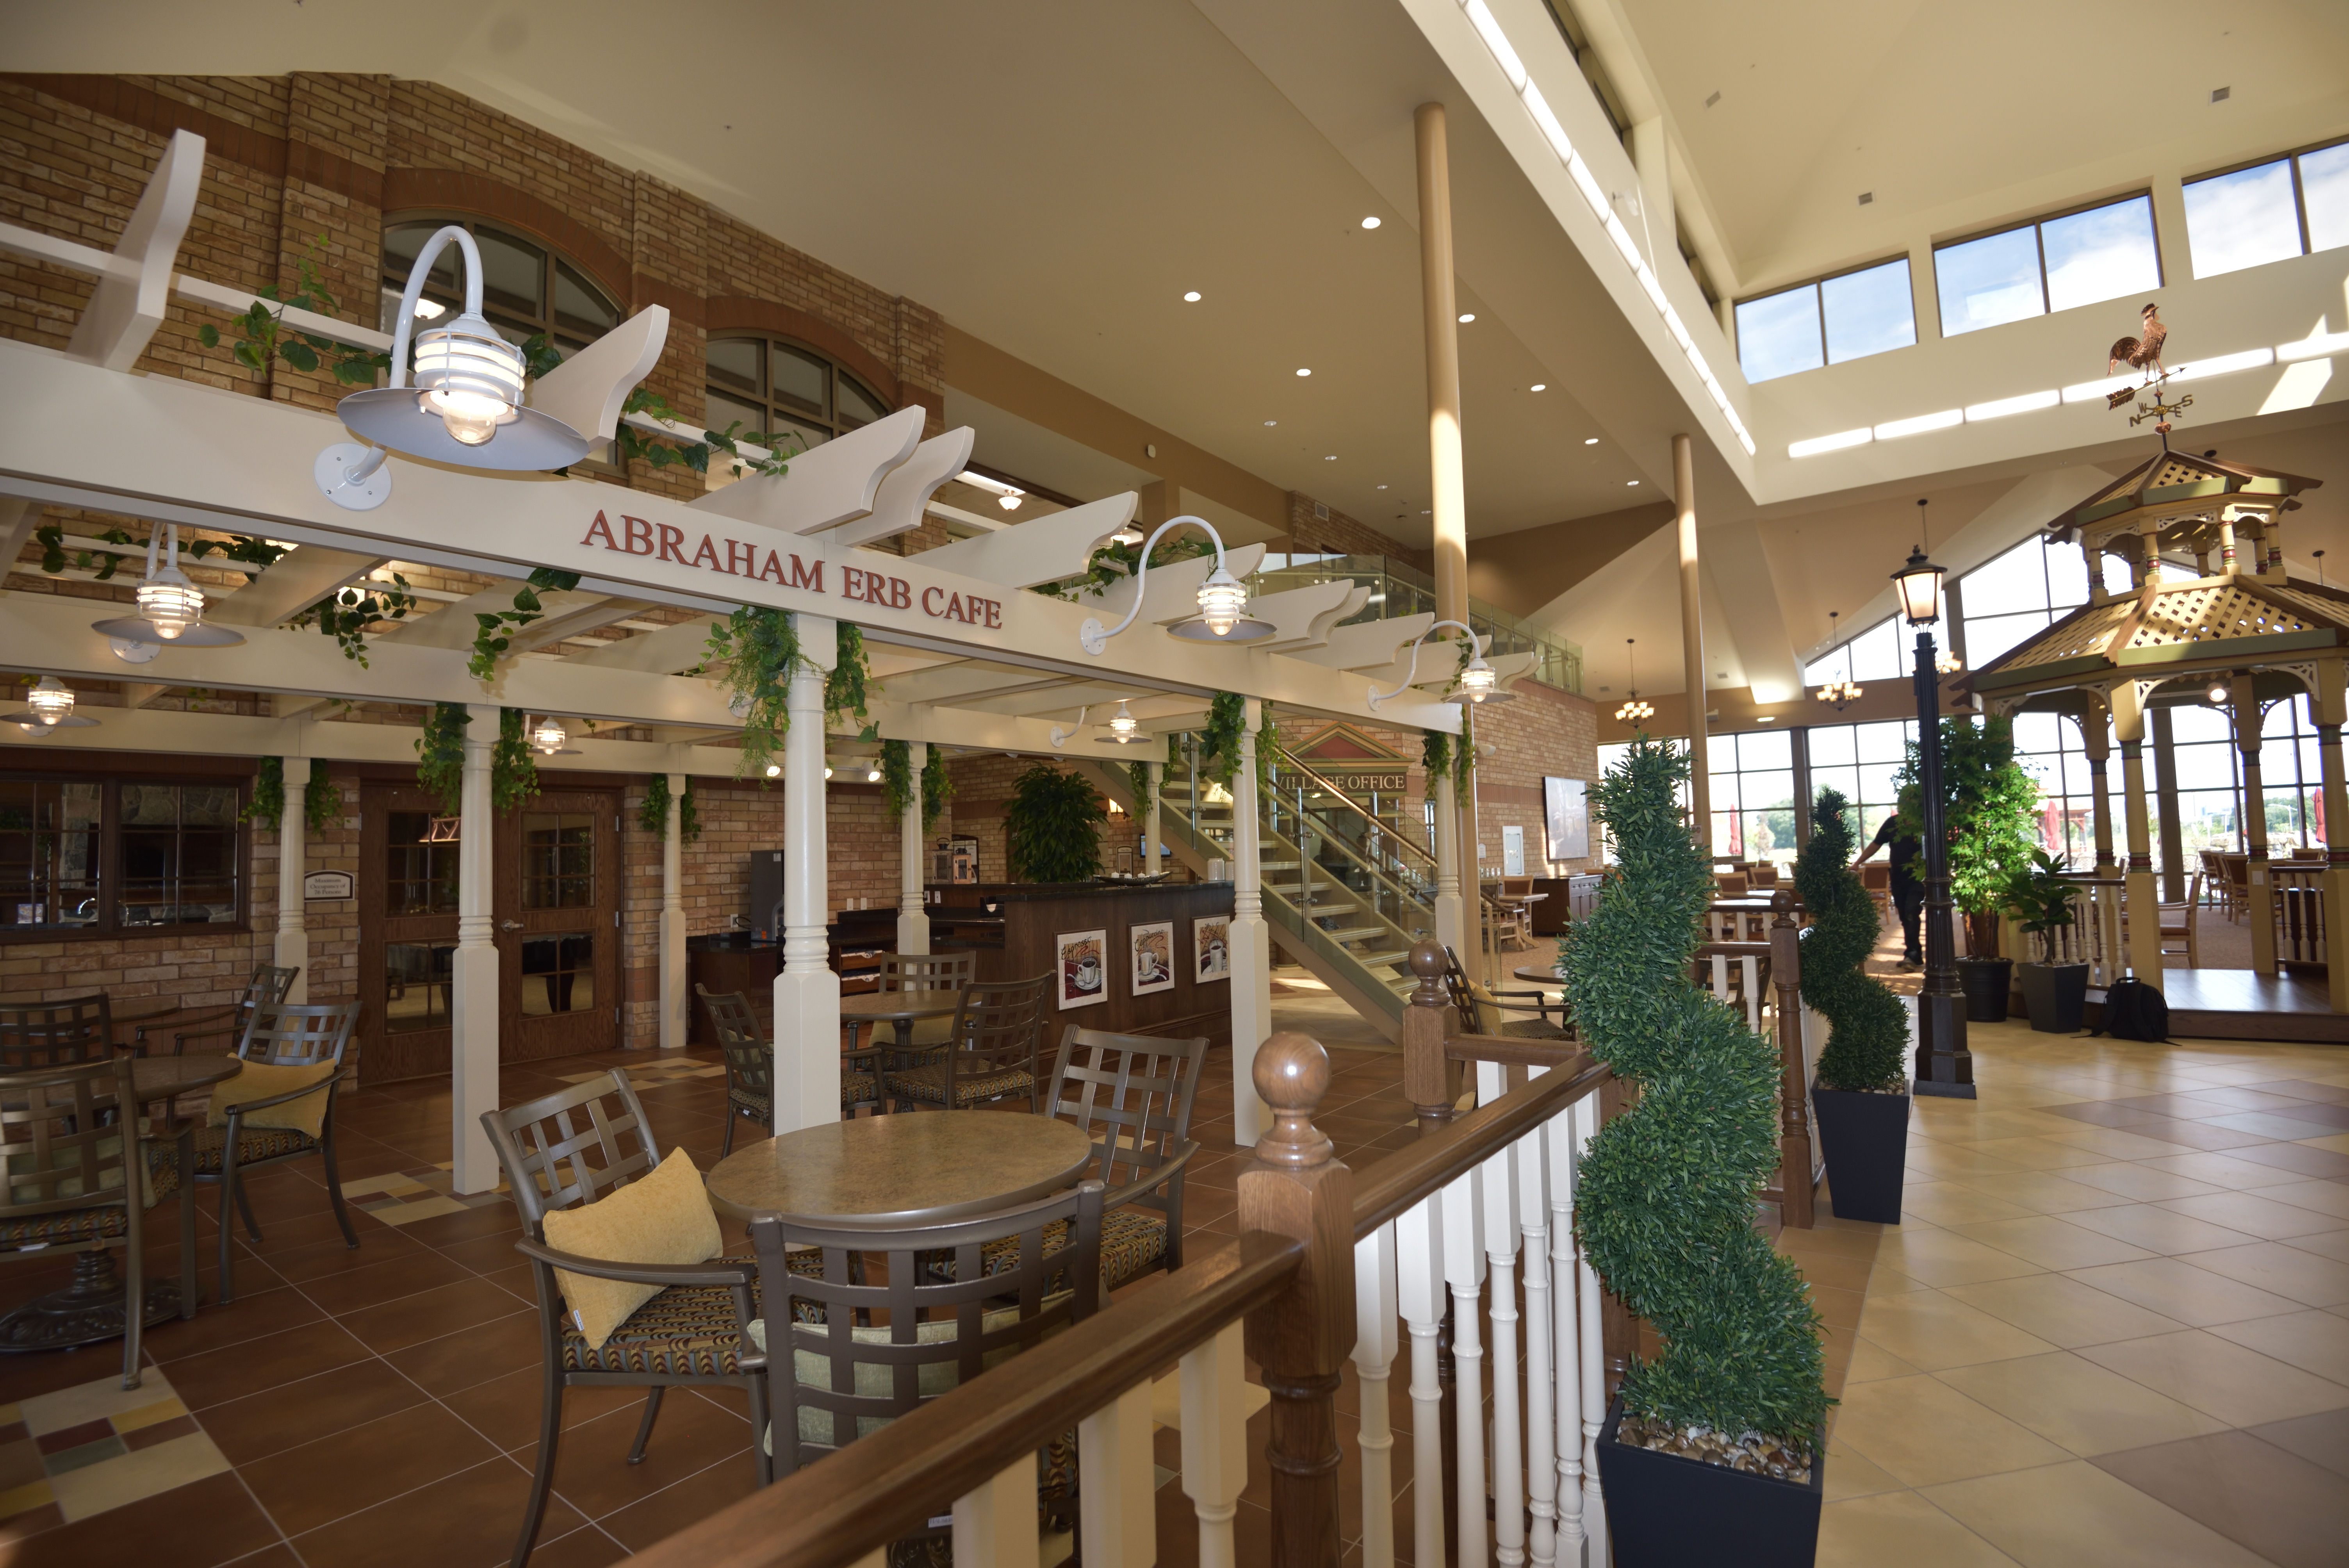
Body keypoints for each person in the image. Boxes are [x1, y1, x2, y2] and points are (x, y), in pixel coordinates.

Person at [1858, 812, 1924, 969]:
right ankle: (1916, 953)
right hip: (1898, 878)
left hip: (1918, 878)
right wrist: (1857, 863)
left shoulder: (1922, 823)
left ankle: (1912, 955)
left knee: (1911, 911)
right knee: (1904, 916)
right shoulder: (1893, 823)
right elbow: (1876, 844)